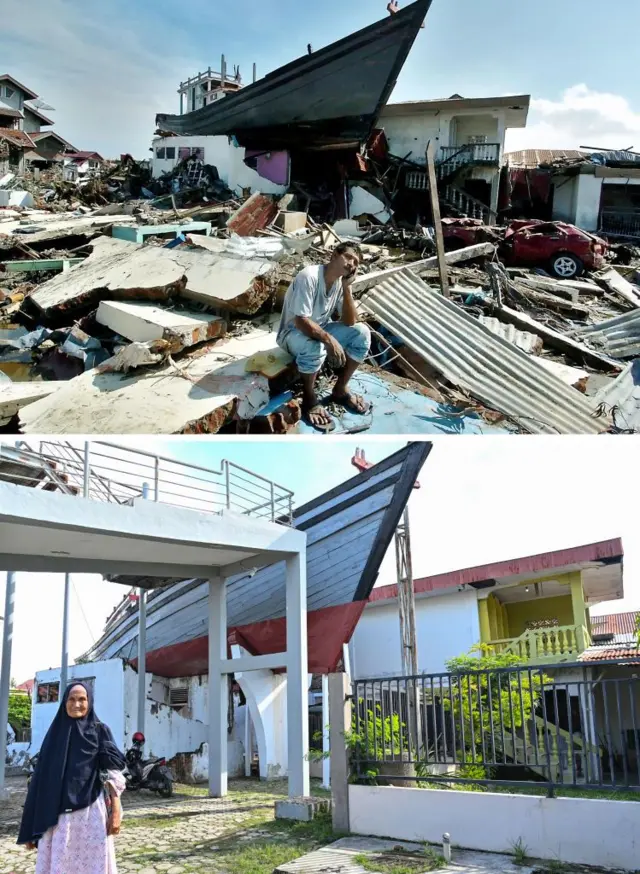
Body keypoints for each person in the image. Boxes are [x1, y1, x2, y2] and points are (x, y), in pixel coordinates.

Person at [18, 682, 126, 874]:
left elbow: (113, 772)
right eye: (72, 699)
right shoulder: (54, 736)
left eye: (82, 699)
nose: (77, 704)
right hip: (57, 818)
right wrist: (30, 826)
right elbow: (39, 781)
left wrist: (116, 811)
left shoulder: (100, 730)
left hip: (91, 815)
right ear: (64, 702)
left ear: (89, 701)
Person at [276, 243, 372, 431]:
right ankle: (310, 399)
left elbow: (350, 321)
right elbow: (301, 321)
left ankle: (340, 388)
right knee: (316, 346)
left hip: (318, 329)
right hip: (291, 334)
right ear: (334, 254)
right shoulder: (309, 276)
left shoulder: (338, 283)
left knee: (362, 333)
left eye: (356, 262)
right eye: (349, 257)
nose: (351, 264)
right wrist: (328, 339)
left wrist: (347, 288)